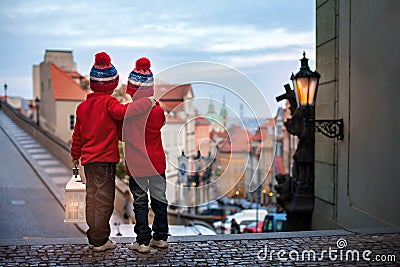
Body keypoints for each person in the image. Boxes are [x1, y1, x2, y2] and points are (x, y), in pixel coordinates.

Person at [70, 52, 155, 252]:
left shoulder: (82, 107)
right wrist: (147, 102)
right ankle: (101, 240)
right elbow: (124, 113)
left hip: (89, 162)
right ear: (112, 84)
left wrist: (75, 155)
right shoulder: (110, 103)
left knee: (92, 198)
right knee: (105, 200)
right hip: (105, 160)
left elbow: (77, 135)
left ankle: (93, 237)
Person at [121, 57, 168, 253]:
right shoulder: (158, 111)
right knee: (159, 201)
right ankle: (161, 237)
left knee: (140, 203)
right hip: (156, 165)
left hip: (137, 166)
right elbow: (161, 123)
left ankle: (142, 241)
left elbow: (121, 135)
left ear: (132, 91)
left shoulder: (129, 115)